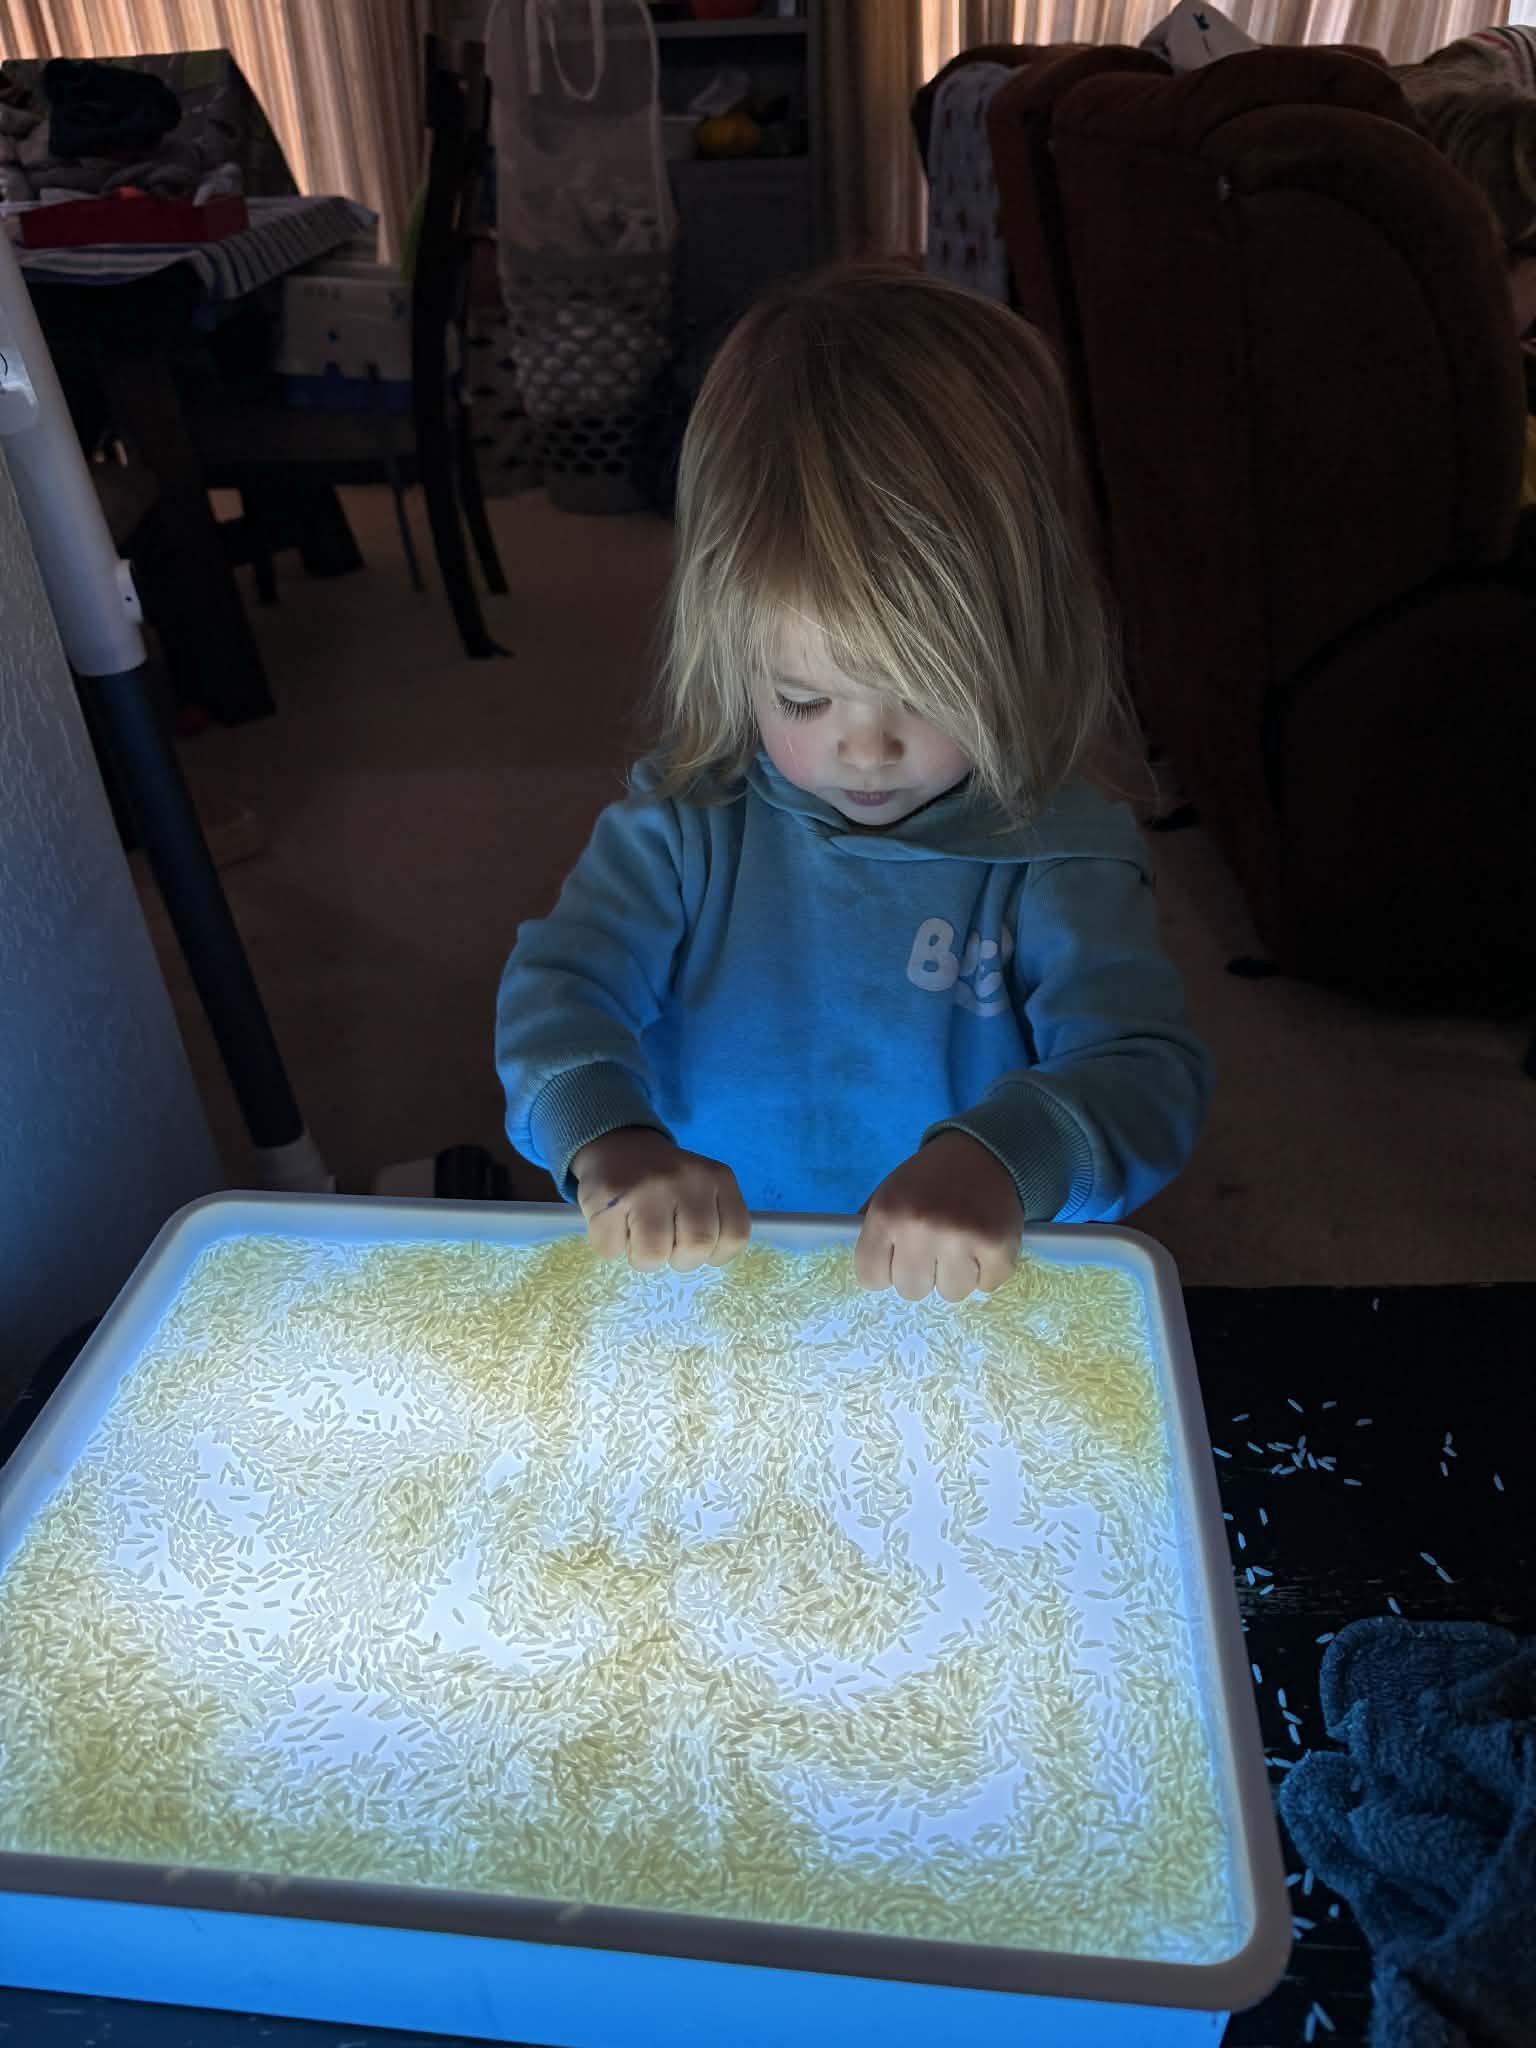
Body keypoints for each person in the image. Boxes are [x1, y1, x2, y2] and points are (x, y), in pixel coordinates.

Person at [495, 265, 1210, 1302]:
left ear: (1025, 645)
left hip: (963, 1290)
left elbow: (1147, 1070)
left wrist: (1002, 1157)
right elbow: (561, 989)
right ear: (732, 658)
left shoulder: (1059, 847)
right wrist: (608, 1134)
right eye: (800, 700)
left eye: (926, 694)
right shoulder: (681, 822)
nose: (864, 751)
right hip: (711, 1279)